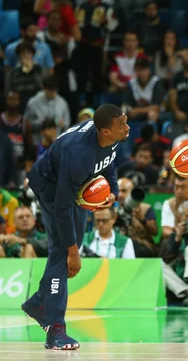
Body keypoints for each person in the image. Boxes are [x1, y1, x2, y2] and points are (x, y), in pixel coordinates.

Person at [21, 104, 129, 350]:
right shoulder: (79, 154)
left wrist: (112, 190)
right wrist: (73, 254)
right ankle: (56, 329)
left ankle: (39, 302)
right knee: (62, 249)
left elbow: (108, 160)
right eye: (121, 124)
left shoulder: (113, 135)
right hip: (50, 186)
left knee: (75, 240)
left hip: (78, 182)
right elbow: (61, 209)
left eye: (125, 121)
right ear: (104, 131)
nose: (127, 127)